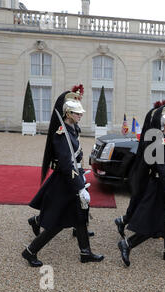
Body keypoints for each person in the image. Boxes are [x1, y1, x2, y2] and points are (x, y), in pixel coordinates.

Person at [22, 85, 104, 267]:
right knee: (58, 222)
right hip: (65, 182)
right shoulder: (61, 133)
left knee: (80, 215)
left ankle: (85, 252)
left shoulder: (72, 129)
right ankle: (30, 251)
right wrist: (80, 186)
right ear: (67, 114)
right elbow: (67, 164)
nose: (80, 115)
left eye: (80, 113)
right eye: (76, 113)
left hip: (72, 179)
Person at [117, 102, 165, 267]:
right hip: (160, 188)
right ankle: (127, 244)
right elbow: (163, 172)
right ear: (163, 127)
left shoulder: (164, 140)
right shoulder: (160, 143)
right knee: (155, 223)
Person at [114, 100, 165, 238]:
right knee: (142, 199)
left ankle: (131, 222)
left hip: (146, 168)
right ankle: (125, 221)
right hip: (146, 170)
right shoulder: (153, 130)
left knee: (142, 199)